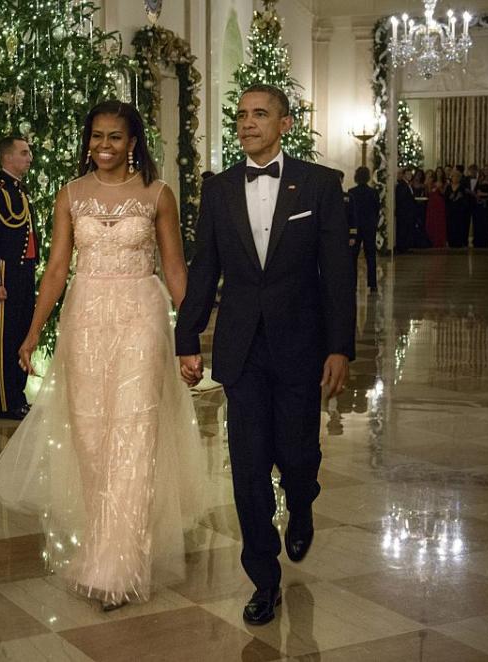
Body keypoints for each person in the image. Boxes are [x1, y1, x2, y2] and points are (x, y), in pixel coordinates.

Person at [0, 100, 208, 612]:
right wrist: (30, 333)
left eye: (114, 137)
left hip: (141, 317)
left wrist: (189, 336)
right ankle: (105, 543)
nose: (103, 146)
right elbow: (57, 269)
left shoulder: (158, 194)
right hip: (84, 320)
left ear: (133, 142)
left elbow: (175, 269)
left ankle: (120, 563)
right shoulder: (70, 195)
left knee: (134, 430)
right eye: (96, 137)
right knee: (90, 437)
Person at [175, 84, 355, 626]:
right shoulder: (220, 189)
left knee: (298, 454)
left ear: (285, 124)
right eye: (241, 115)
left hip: (301, 345)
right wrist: (187, 339)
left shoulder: (320, 185)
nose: (248, 123)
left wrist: (340, 347)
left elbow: (338, 277)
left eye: (260, 114)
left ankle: (302, 502)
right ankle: (263, 577)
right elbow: (204, 269)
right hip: (242, 348)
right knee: (248, 466)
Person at [0, 136, 39, 420]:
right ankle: (5, 402)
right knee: (5, 339)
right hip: (5, 273)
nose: (30, 158)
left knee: (23, 333)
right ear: (7, 158)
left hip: (24, 273)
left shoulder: (19, 191)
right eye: (24, 153)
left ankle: (19, 396)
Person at [348, 166, 380, 292]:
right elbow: (376, 210)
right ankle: (372, 284)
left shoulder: (352, 192)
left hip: (356, 227)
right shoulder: (373, 192)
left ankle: (353, 283)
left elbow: (350, 211)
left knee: (353, 257)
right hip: (369, 226)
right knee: (370, 255)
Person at [446, 169, 472, 248]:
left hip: (460, 212)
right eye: (454, 176)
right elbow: (446, 199)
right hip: (450, 211)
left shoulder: (463, 187)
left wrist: (459, 199)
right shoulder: (448, 187)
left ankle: (460, 242)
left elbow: (466, 199)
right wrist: (452, 198)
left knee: (459, 227)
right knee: (451, 226)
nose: (455, 178)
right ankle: (451, 242)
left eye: (457, 176)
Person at [395, 167, 417, 253]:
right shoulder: (402, 185)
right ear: (404, 175)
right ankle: (402, 247)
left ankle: (405, 246)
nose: (410, 175)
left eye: (410, 174)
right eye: (408, 174)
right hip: (404, 212)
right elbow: (402, 199)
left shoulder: (408, 185)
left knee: (406, 230)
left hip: (408, 212)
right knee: (403, 230)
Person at [473, 165, 488, 248]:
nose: (486, 171)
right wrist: (477, 195)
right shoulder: (480, 180)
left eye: (487, 169)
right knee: (479, 223)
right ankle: (478, 242)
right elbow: (475, 191)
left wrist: (484, 194)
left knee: (487, 223)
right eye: (484, 169)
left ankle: (487, 242)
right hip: (479, 205)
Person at [425, 169, 447, 248]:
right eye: (437, 172)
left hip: (440, 203)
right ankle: (432, 240)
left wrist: (440, 187)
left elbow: (444, 193)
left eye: (440, 172)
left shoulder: (444, 182)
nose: (439, 173)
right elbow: (428, 192)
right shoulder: (431, 182)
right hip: (432, 203)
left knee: (439, 222)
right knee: (432, 221)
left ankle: (440, 241)